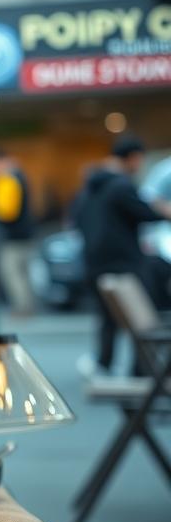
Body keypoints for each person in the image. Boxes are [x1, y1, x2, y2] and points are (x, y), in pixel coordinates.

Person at [72, 135, 171, 373]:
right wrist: (162, 209)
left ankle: (104, 363)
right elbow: (146, 213)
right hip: (124, 263)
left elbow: (76, 220)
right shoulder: (121, 186)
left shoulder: (89, 187)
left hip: (94, 262)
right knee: (139, 320)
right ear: (133, 158)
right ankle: (139, 370)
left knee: (108, 318)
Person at [0, 147, 37, 316]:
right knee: (23, 273)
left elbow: (7, 211)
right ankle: (27, 306)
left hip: (12, 236)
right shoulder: (19, 176)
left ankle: (22, 308)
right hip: (24, 234)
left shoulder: (7, 179)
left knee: (11, 272)